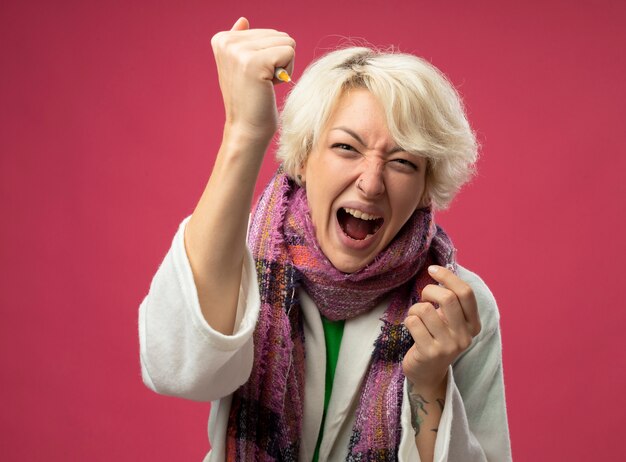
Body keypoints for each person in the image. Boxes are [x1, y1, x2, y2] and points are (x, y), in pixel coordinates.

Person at [138, 17, 511, 462]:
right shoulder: (245, 268)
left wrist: (430, 383)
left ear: (427, 187)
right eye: (346, 148)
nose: (371, 184)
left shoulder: (452, 307)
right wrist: (244, 131)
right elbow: (179, 370)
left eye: (403, 162)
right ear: (302, 156)